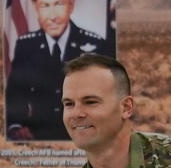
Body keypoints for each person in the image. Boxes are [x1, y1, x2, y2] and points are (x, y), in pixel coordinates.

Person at [7, 0, 111, 141]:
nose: (52, 16)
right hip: (36, 135)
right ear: (35, 8)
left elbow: (104, 95)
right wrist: (16, 126)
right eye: (45, 5)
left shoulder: (95, 45)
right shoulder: (25, 46)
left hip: (83, 132)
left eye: (59, 4)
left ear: (71, 5)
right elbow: (16, 92)